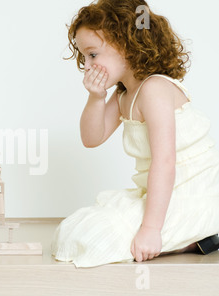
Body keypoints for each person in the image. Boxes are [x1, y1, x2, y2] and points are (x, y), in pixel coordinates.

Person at [51, 0, 219, 267]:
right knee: (74, 231)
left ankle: (196, 234)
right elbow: (91, 139)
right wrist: (96, 97)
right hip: (160, 190)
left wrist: (150, 229)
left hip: (190, 192)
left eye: (93, 55)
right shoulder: (123, 94)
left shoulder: (154, 89)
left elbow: (165, 162)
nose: (87, 65)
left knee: (97, 240)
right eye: (84, 58)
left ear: (128, 46)